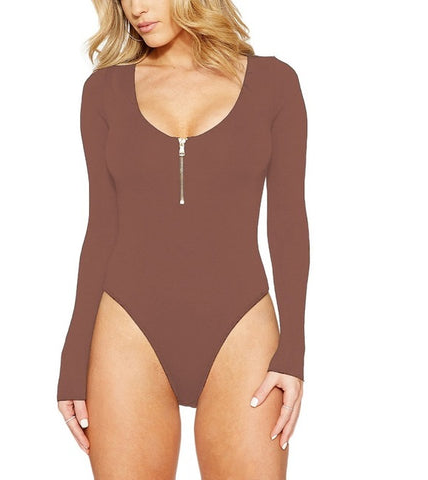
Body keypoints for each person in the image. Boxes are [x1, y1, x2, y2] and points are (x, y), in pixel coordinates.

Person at [57, 0, 310, 478]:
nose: (136, 8)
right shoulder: (104, 90)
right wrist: (73, 360)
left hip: (241, 329)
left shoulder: (274, 83)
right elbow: (101, 227)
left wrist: (293, 351)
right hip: (127, 330)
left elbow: (288, 221)